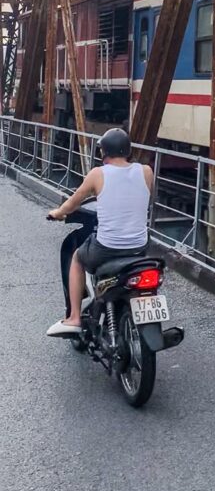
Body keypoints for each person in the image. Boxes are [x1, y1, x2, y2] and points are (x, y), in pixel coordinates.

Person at [46, 128, 153, 337]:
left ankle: (75, 317)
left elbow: (73, 203)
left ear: (103, 152)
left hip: (107, 248)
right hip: (139, 246)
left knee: (77, 258)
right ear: (128, 150)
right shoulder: (146, 171)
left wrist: (57, 213)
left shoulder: (98, 174)